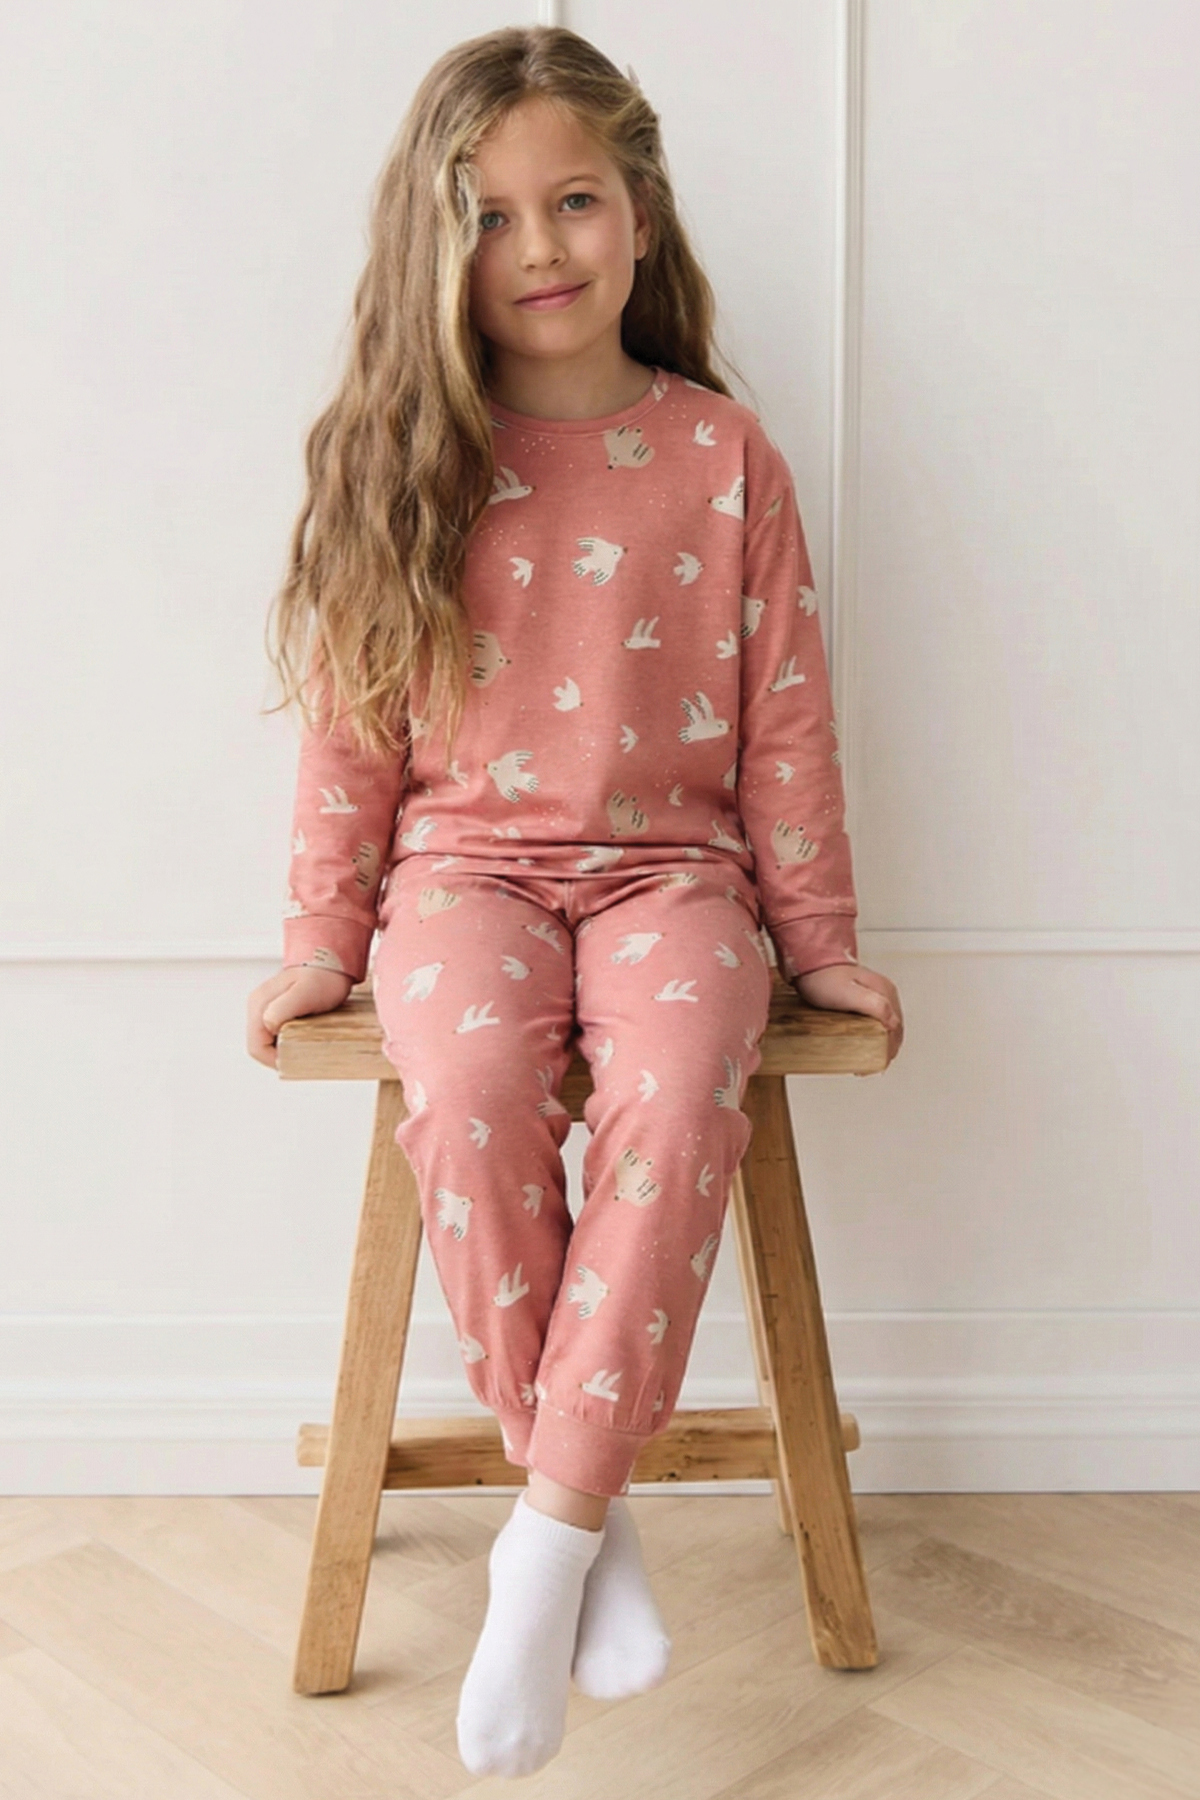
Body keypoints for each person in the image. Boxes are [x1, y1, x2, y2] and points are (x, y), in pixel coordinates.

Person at [246, 22, 903, 1779]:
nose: (538, 248)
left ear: (640, 211)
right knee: (463, 1095)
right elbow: (350, 730)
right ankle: (586, 1528)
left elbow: (785, 722)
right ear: (433, 242)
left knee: (680, 1094)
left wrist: (823, 943)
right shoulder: (407, 454)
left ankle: (543, 1539)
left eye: (575, 202)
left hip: (674, 875)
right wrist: (318, 941)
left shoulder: (724, 454)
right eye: (488, 215)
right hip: (461, 876)